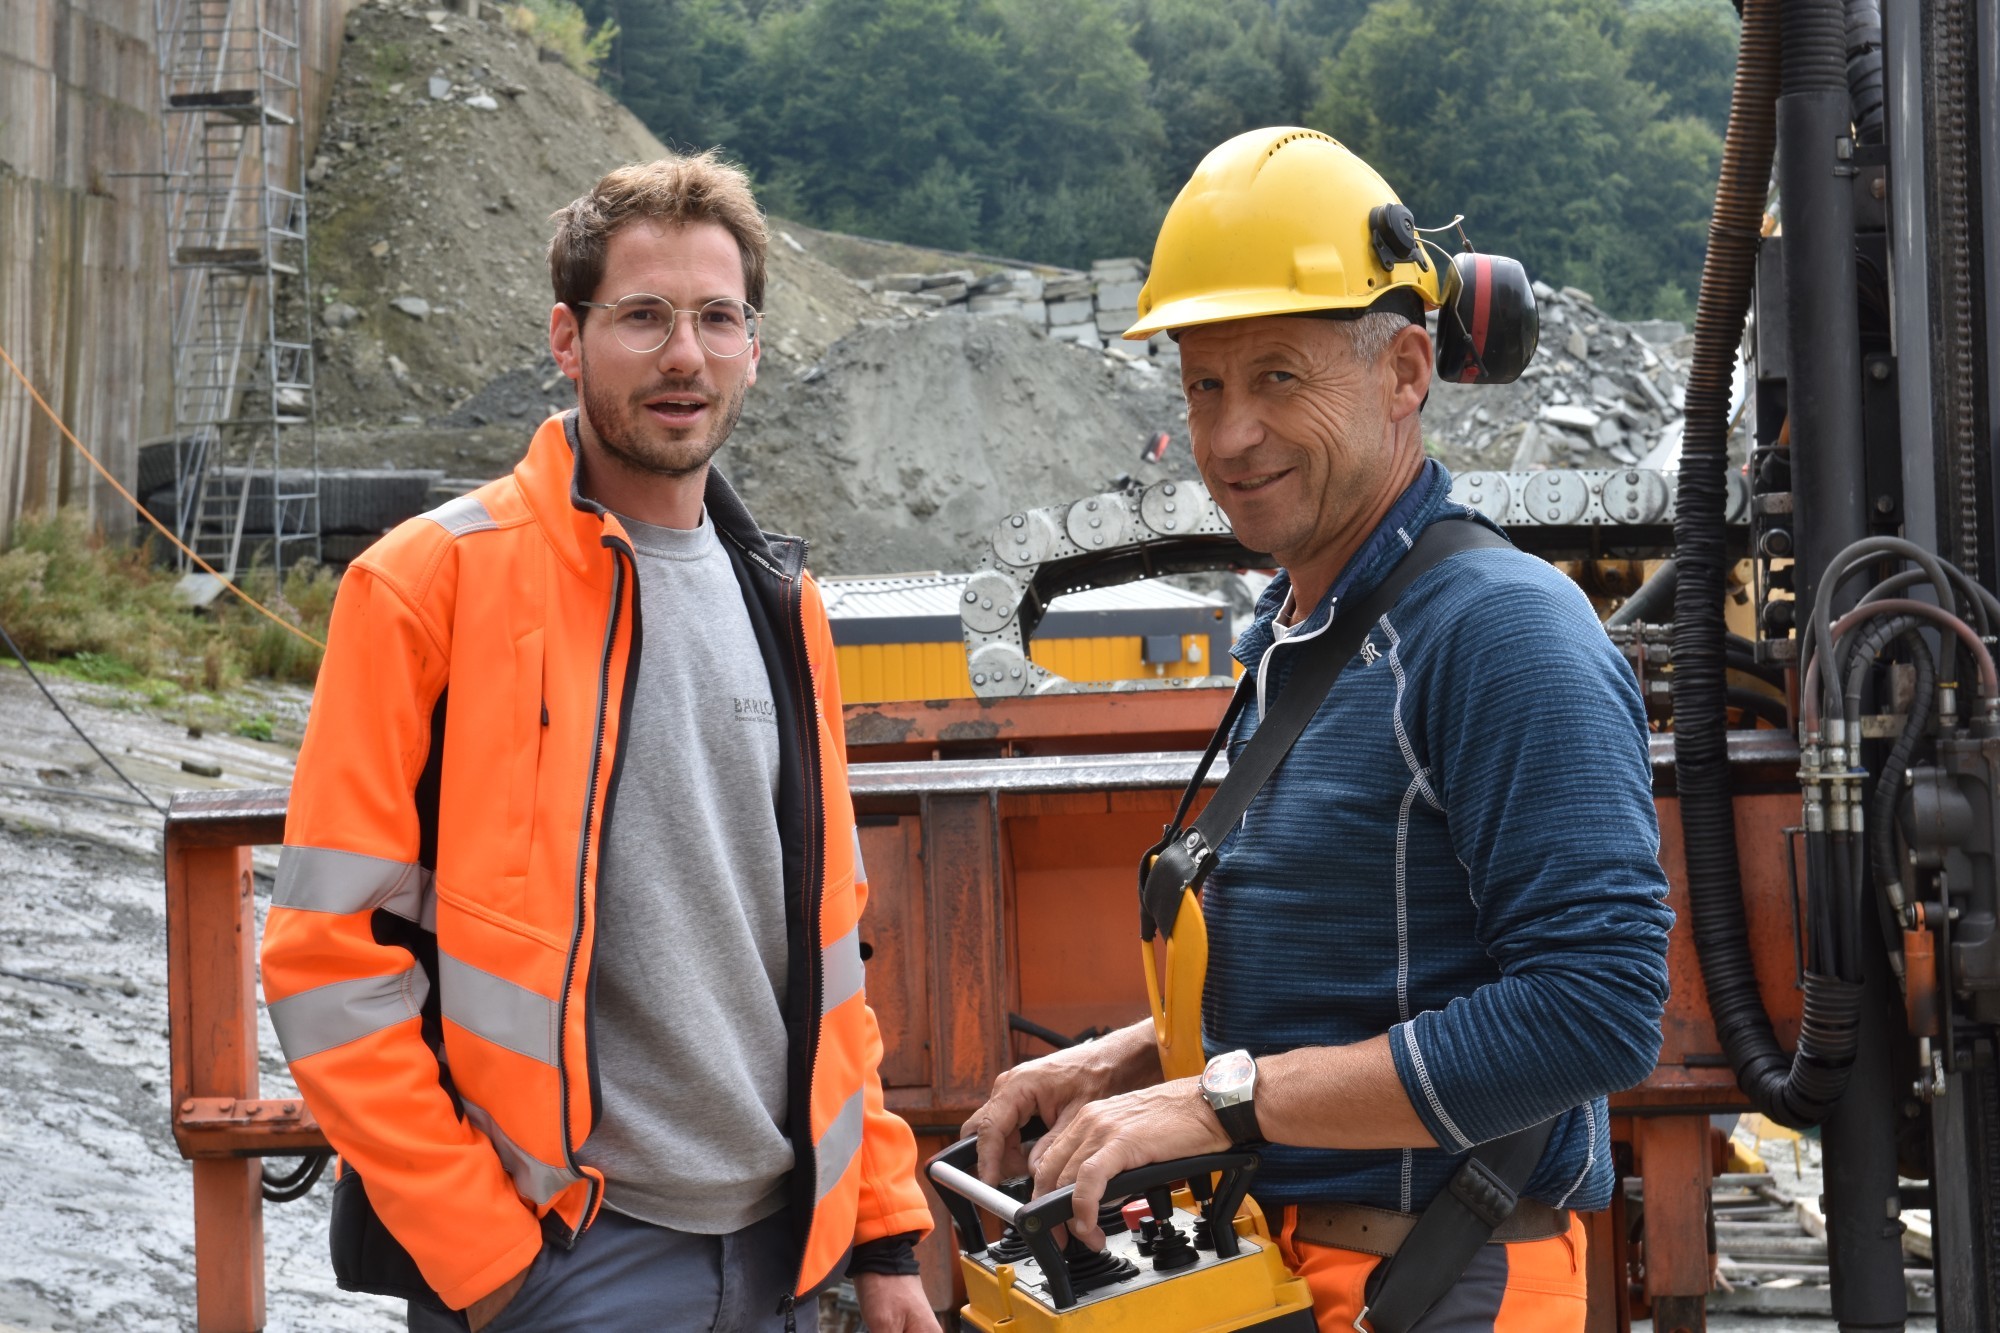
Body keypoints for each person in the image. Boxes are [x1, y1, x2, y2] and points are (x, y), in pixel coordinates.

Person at [962, 128, 1674, 1331]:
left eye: (1279, 377)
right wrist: (1122, 1062)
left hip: (1436, 1281)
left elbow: (1593, 1006)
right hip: (1295, 1276)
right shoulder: (1309, 626)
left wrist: (1212, 1101)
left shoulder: (1498, 632)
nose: (1231, 435)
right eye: (1203, 384)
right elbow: (1351, 982)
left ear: (1404, 372)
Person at [262, 151, 940, 1333]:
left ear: (753, 349)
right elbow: (325, 958)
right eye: (642, 317)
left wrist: (879, 1232)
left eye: (715, 317)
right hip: (568, 1261)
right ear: (567, 341)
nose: (684, 354)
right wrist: (487, 1258)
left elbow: (829, 960)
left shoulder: (786, 605)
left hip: (783, 1254)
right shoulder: (431, 585)